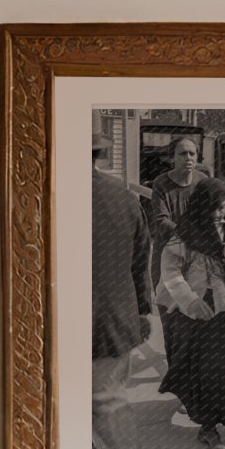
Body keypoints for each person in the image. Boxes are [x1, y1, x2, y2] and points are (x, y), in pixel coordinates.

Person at [155, 178, 225, 449]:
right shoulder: (184, 234)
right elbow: (170, 270)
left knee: (216, 366)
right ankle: (207, 425)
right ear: (201, 207)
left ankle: (211, 424)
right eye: (216, 207)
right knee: (194, 365)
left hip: (219, 308)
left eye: (224, 207)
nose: (221, 213)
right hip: (192, 309)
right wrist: (190, 301)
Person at [90, 130, 152, 399]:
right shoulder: (124, 199)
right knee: (107, 411)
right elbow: (140, 263)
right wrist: (143, 312)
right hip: (111, 329)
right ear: (100, 154)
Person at [148, 135, 208, 305]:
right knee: (168, 309)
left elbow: (210, 215)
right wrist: (191, 235)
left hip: (194, 258)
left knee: (191, 311)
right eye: (182, 153)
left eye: (192, 153)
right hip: (168, 254)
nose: (188, 158)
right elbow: (161, 220)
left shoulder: (202, 181)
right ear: (172, 158)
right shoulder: (161, 183)